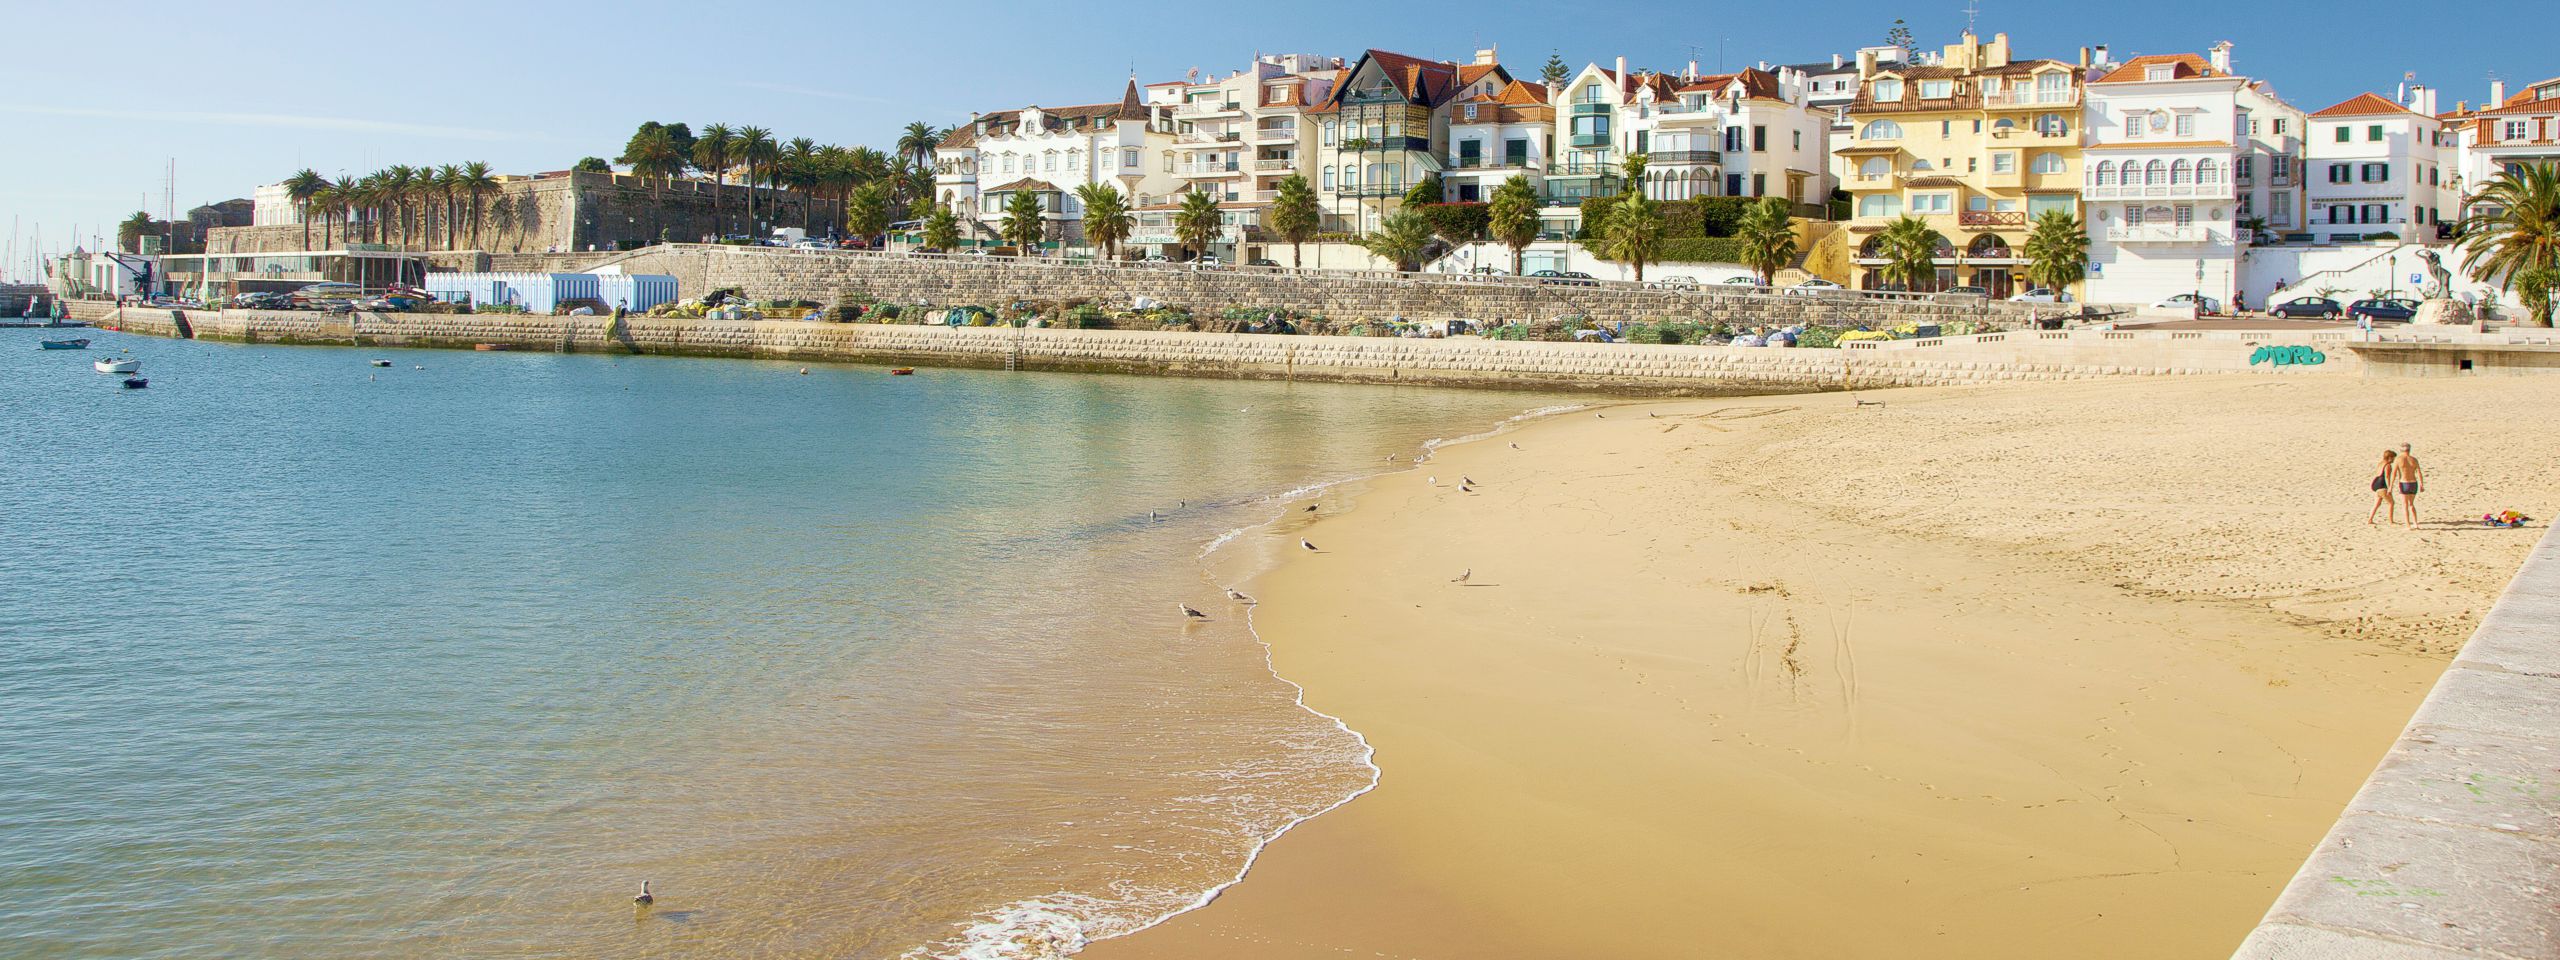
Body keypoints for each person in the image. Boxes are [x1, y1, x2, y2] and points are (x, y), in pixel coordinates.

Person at [2393, 443, 2424, 529]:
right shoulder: (2414, 459)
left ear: (2401, 450)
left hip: (2404, 483)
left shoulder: (2398, 459)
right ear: (2409, 450)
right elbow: (2419, 472)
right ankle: (2415, 523)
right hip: (2413, 483)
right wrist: (2421, 484)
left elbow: (2394, 474)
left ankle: (2408, 525)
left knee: (2405, 505)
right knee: (2411, 504)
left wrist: (2390, 486)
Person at [2368, 449, 2399, 525]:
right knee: (2391, 503)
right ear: (2390, 457)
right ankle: (2391, 521)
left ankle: (2370, 519)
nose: (2394, 460)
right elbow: (2387, 477)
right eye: (2393, 458)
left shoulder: (2380, 463)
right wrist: (2389, 488)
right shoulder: (2388, 465)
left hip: (2376, 483)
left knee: (2377, 503)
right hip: (2382, 484)